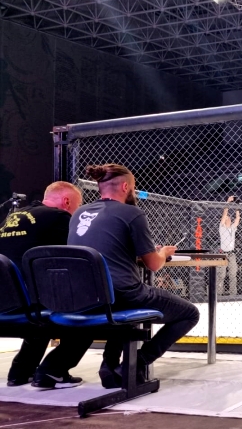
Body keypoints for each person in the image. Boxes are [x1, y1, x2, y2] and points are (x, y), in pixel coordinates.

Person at [68, 164, 200, 389]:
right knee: (190, 314)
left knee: (120, 310)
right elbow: (153, 265)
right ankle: (137, 364)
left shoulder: (79, 213)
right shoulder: (132, 213)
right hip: (124, 293)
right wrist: (163, 252)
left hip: (86, 295)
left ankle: (109, 366)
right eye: (134, 187)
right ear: (125, 186)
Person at [0, 182, 87, 389]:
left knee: (42, 309)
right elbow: (74, 256)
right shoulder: (59, 217)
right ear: (67, 201)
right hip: (29, 300)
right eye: (77, 206)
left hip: (6, 299)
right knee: (88, 308)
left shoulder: (12, 217)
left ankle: (20, 372)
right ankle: (54, 370)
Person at [217, 196, 240, 296]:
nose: (228, 218)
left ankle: (233, 294)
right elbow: (225, 213)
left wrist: (237, 206)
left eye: (229, 217)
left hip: (231, 254)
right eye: (227, 217)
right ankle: (218, 294)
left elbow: (238, 218)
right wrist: (228, 202)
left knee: (233, 274)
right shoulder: (222, 228)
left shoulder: (232, 228)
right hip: (223, 254)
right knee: (221, 275)